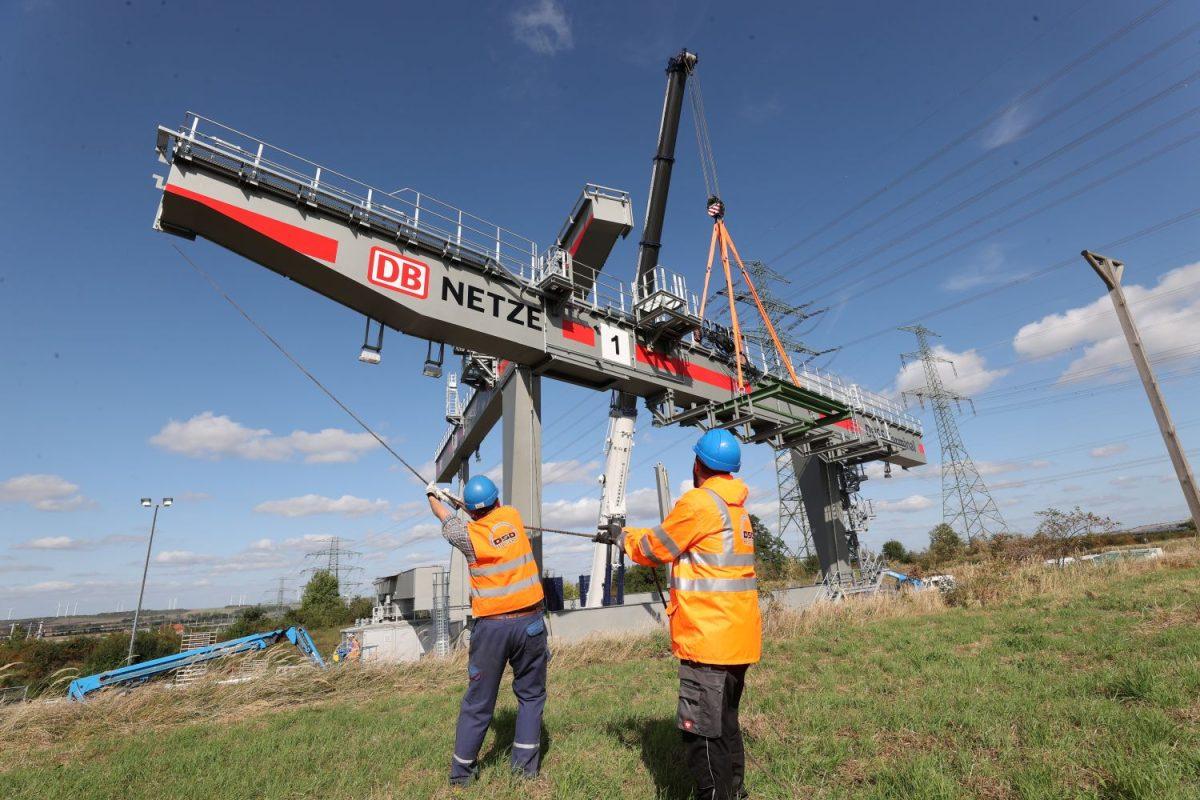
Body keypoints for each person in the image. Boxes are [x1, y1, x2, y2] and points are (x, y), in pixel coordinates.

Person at [603, 429, 760, 800]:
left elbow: (654, 548)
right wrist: (628, 532)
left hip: (708, 642)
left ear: (697, 464)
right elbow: (672, 538)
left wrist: (620, 538)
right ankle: (735, 793)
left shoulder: (699, 504)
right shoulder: (735, 510)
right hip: (736, 638)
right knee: (724, 725)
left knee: (700, 733)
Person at [426, 474, 547, 786]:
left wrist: (432, 495)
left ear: (470, 510)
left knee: (479, 703)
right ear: (497, 501)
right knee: (531, 697)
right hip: (530, 623)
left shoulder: (467, 537)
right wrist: (463, 503)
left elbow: (446, 519)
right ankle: (524, 771)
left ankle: (462, 774)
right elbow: (481, 514)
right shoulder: (512, 517)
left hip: (492, 629)